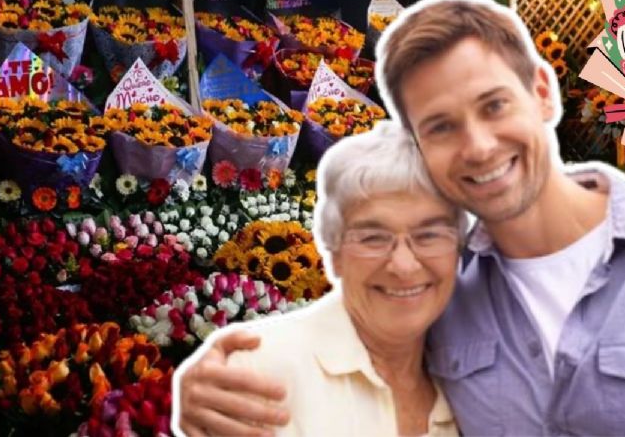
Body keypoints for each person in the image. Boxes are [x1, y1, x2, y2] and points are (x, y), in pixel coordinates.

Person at [174, 0, 625, 436]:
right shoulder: (442, 290)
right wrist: (208, 386)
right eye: (440, 126)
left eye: (494, 105)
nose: (477, 146)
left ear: (542, 92)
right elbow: (354, 329)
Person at [175, 121, 466, 436]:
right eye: (373, 238)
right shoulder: (260, 376)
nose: (403, 264)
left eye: (429, 235)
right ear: (335, 252)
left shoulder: (475, 386)